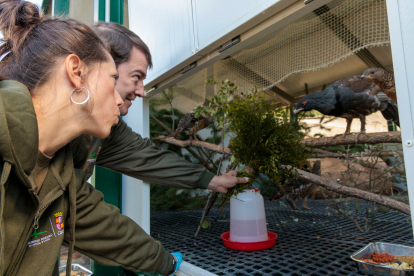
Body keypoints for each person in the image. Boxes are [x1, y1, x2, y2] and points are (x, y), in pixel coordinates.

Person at [0, 1, 183, 275]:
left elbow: (109, 231)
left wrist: (167, 264)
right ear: (76, 72)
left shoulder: (60, 175)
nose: (120, 96)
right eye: (112, 78)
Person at [70, 22, 248, 193]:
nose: (141, 92)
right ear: (103, 69)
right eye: (136, 77)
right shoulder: (59, 126)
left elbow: (147, 158)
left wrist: (212, 181)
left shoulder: (108, 129)